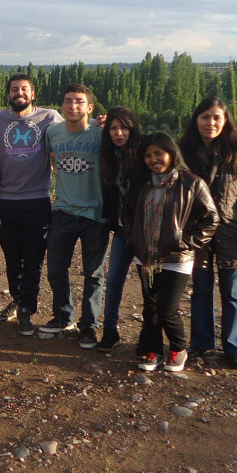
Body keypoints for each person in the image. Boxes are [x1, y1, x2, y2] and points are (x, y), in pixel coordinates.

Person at [180, 97, 237, 370]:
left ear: (226, 121)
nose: (211, 123)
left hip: (233, 231)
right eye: (205, 117)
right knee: (201, 289)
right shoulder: (183, 151)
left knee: (232, 292)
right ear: (196, 120)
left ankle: (235, 348)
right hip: (196, 232)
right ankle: (202, 343)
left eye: (217, 117)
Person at [125, 132, 218, 372]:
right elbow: (127, 214)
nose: (153, 159)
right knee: (151, 307)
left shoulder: (191, 183)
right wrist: (132, 237)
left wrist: (187, 241)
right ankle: (153, 350)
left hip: (177, 260)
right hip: (148, 258)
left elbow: (211, 218)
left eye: (158, 153)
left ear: (171, 153)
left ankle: (178, 348)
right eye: (148, 155)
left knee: (167, 309)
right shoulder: (141, 184)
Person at [0, 74, 63, 336]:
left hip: (37, 200)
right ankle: (18, 300)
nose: (18, 93)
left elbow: (76, 130)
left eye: (24, 89)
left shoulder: (50, 117)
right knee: (12, 258)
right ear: (8, 94)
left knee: (33, 258)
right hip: (6, 201)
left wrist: (102, 123)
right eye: (13, 89)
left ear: (33, 93)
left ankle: (26, 309)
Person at [40, 83, 109, 349]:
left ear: (89, 107)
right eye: (68, 101)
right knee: (57, 269)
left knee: (93, 274)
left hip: (96, 214)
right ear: (62, 106)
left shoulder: (102, 132)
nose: (73, 106)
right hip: (63, 211)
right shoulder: (53, 133)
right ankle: (62, 316)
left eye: (79, 101)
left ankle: (89, 326)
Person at [97, 107, 145, 353]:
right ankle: (110, 330)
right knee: (114, 280)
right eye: (113, 128)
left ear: (133, 128)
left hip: (147, 231)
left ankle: (150, 337)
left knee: (150, 284)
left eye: (123, 128)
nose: (118, 133)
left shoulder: (145, 152)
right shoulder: (108, 154)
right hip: (121, 229)